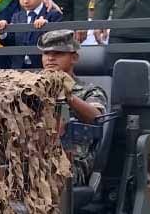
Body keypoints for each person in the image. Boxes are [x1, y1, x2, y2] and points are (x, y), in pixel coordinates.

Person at [38, 29, 108, 186]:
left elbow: (96, 118)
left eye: (58, 53)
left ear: (74, 58)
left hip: (71, 162)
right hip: (34, 155)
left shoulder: (90, 91)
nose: (50, 58)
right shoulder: (33, 87)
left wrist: (68, 96)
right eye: (46, 53)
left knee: (43, 176)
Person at [0, 0, 62, 69]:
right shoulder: (17, 17)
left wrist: (46, 27)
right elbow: (9, 42)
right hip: (18, 69)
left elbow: (57, 42)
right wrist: (3, 31)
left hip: (42, 68)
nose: (25, 1)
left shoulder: (53, 15)